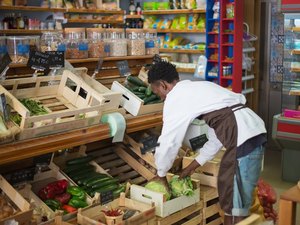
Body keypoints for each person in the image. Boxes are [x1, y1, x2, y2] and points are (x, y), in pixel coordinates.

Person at [148, 60, 266, 225]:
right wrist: (193, 166)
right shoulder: (199, 88)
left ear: (163, 85)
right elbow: (216, 137)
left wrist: (161, 173)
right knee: (234, 195)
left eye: (157, 92)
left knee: (234, 200)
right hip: (251, 133)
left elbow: (169, 141)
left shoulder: (175, 97)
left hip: (243, 137)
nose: (160, 97)